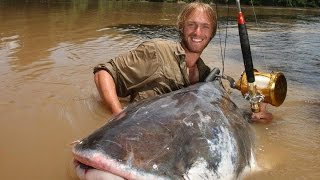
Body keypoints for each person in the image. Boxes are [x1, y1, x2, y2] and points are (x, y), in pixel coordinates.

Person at [93, 2, 273, 123]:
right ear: (181, 27)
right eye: (191, 25)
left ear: (212, 33)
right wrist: (118, 116)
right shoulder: (157, 52)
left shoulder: (207, 76)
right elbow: (104, 72)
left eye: (205, 27)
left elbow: (224, 115)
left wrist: (257, 116)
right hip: (135, 127)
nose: (197, 32)